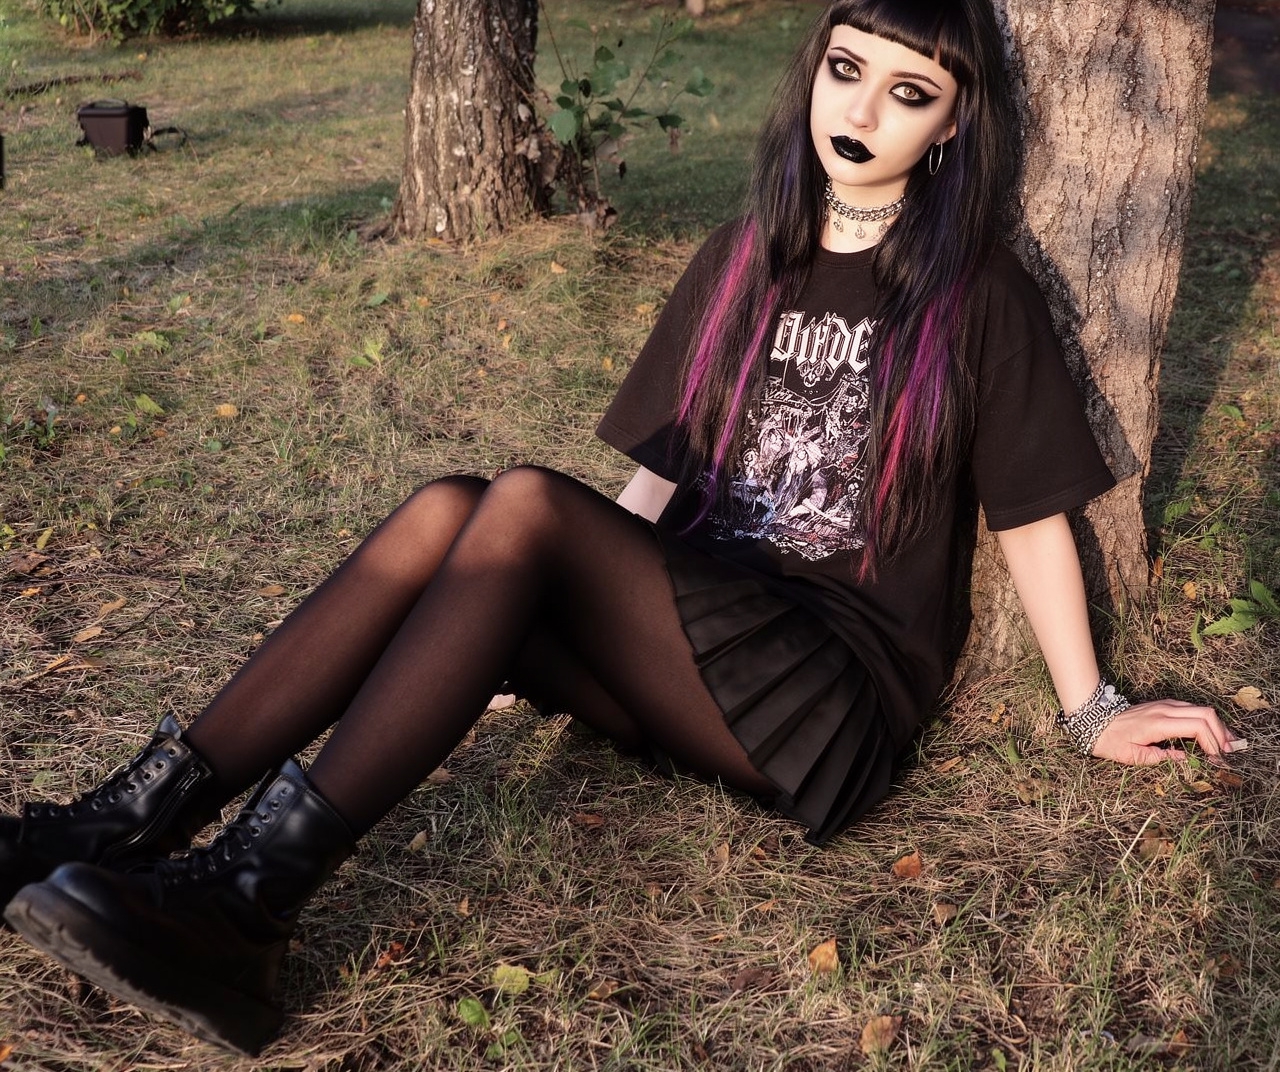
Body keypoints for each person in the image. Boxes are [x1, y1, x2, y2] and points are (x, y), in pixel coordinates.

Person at [1, 0, 1239, 1056]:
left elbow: (1029, 519)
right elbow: (655, 482)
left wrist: (1090, 710)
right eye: (844, 69)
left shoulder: (975, 293)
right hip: (683, 637)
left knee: (521, 502)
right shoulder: (743, 254)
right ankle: (130, 820)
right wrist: (490, 608)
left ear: (951, 124)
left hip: (824, 692)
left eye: (906, 93)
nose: (858, 111)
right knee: (451, 512)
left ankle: (245, 908)